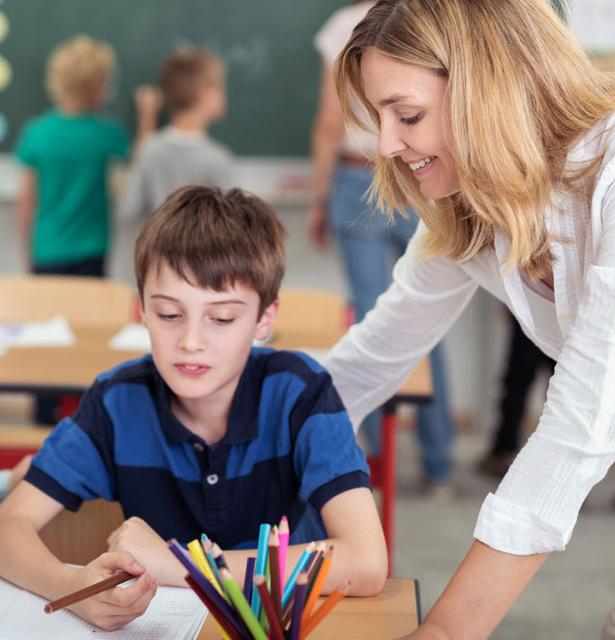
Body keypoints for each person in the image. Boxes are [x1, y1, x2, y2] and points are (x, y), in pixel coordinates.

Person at [322, 0, 615, 637]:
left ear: (488, 90)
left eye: (407, 115)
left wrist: (444, 630)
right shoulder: (469, 210)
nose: (385, 144)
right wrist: (227, 421)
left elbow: (582, 428)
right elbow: (370, 361)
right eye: (378, 117)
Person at [0, 186, 387, 631]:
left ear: (264, 318)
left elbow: (366, 562)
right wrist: (72, 590)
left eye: (221, 319)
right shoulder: (117, 401)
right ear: (141, 309)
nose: (191, 341)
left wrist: (184, 566)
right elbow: (9, 528)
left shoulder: (300, 392)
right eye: (169, 314)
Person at [310, 1, 454, 494]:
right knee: (423, 322)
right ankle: (439, 465)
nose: (392, 133)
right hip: (424, 169)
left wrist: (317, 199)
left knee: (381, 319)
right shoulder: (431, 19)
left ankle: (363, 467)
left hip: (358, 177)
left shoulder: (341, 27)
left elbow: (331, 125)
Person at [13, 35, 142, 425]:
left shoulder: (36, 132)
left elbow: (27, 202)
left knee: (43, 337)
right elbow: (139, 163)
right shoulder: (105, 133)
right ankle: (85, 418)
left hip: (45, 250)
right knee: (88, 335)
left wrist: (28, 253)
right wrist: (148, 117)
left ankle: (42, 415)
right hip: (90, 250)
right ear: (95, 85)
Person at [118, 48, 234, 220]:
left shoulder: (150, 149)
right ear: (204, 96)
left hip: (157, 246)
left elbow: (129, 208)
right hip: (205, 248)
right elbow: (235, 224)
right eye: (220, 88)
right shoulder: (218, 160)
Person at [477, 313, 555, 478]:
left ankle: (502, 451)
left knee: (517, 385)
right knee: (564, 393)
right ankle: (563, 467)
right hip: (565, 317)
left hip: (533, 311)